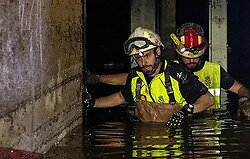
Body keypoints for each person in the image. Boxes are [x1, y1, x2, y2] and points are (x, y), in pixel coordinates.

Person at [86, 23, 250, 119]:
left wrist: (243, 100)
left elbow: (227, 93)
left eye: (195, 56)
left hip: (206, 122)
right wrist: (98, 83)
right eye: (186, 56)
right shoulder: (161, 70)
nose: (191, 60)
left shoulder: (192, 72)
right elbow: (128, 83)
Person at [84, 27, 214, 128]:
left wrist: (186, 111)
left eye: (147, 56)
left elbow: (208, 99)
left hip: (176, 143)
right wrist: (92, 103)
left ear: (157, 52)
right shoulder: (136, 77)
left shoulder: (177, 73)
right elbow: (120, 97)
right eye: (138, 58)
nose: (143, 62)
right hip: (145, 143)